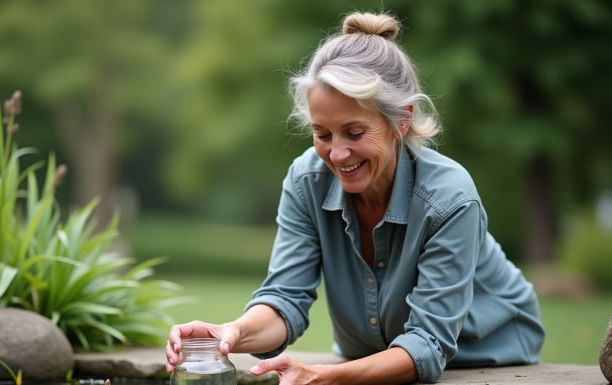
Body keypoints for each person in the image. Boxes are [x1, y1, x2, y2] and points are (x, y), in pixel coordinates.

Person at [165, 11, 544, 385]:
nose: (338, 154)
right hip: (373, 361)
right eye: (323, 134)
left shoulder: (450, 198)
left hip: (488, 354)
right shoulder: (305, 182)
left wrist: (326, 377)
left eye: (355, 132)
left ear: (402, 120)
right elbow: (284, 299)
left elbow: (429, 344)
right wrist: (230, 333)